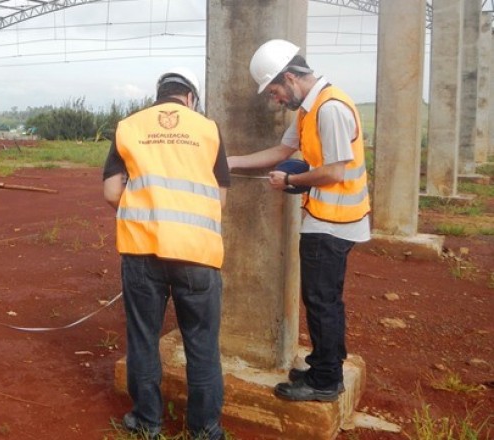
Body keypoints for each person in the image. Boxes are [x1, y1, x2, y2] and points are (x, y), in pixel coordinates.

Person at [227, 39, 371, 402]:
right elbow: (281, 151)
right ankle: (325, 363)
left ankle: (325, 381)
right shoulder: (308, 110)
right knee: (323, 298)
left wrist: (290, 181)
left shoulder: (330, 109)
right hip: (325, 217)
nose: (275, 98)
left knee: (322, 300)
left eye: (275, 89)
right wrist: (231, 161)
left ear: (290, 78)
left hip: (334, 221)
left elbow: (335, 171)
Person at [102, 68, 230, 439]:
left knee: (143, 338)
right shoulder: (208, 129)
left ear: (159, 94)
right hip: (197, 254)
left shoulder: (129, 127)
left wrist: (146, 218)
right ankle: (204, 430)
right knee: (202, 343)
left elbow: (113, 192)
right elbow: (219, 198)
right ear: (190, 97)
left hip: (142, 251)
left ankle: (147, 423)